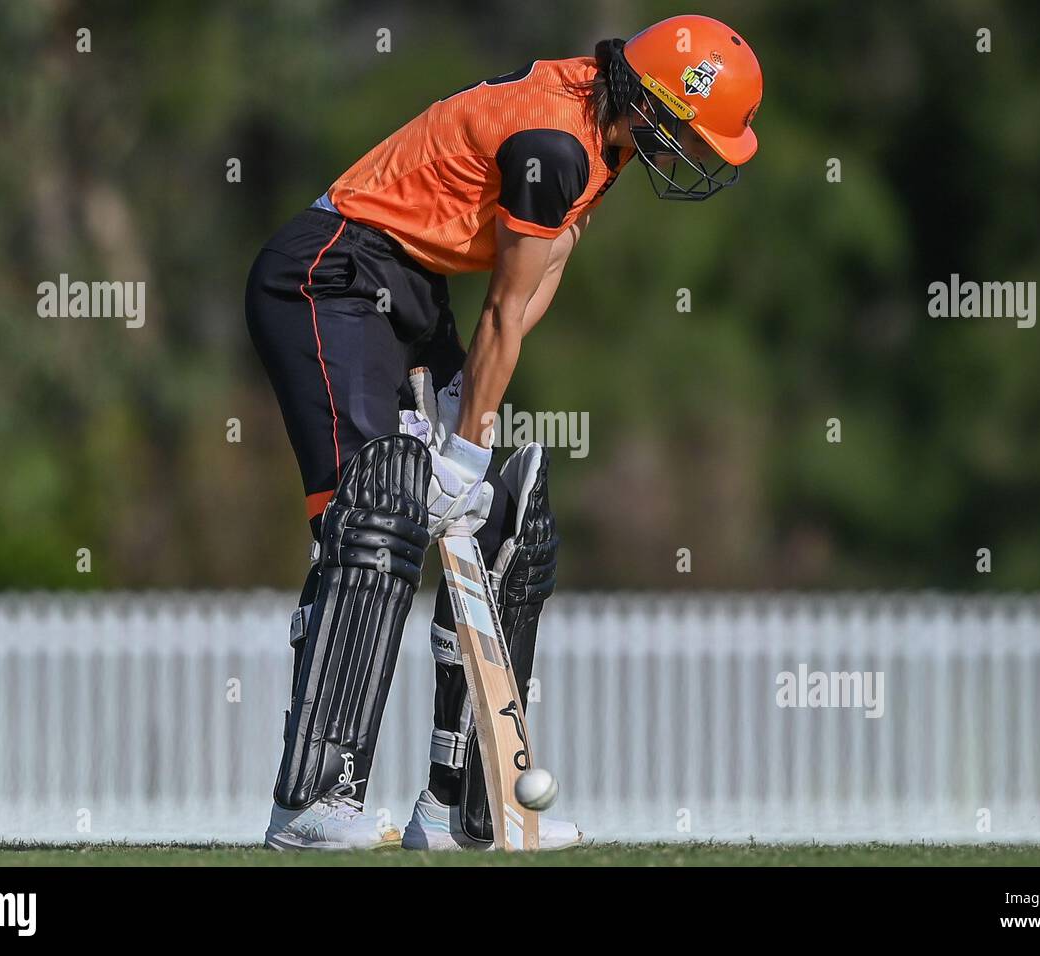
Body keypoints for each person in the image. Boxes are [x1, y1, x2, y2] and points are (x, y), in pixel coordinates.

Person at [246, 14, 763, 851]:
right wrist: (464, 442)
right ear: (657, 101)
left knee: (500, 524)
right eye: (693, 134)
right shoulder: (553, 145)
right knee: (375, 513)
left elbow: (539, 277)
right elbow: (502, 309)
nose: (694, 155)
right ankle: (313, 799)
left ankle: (464, 811)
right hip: (332, 272)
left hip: (409, 287)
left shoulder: (607, 139)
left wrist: (466, 444)